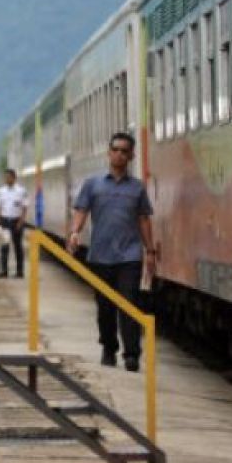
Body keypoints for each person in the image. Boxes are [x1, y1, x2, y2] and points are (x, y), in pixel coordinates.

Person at [67, 132, 156, 373]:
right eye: (115, 149)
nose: (119, 154)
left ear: (131, 156)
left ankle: (132, 354)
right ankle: (108, 347)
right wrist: (75, 232)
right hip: (100, 256)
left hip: (129, 256)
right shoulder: (93, 184)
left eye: (124, 151)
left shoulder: (137, 188)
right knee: (105, 307)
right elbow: (81, 210)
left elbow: (144, 219)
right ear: (109, 153)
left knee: (129, 304)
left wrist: (149, 250)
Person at [0, 169, 28, 278]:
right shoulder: (1, 191)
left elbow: (24, 208)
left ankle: (19, 271)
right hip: (5, 220)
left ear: (14, 178)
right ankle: (4, 271)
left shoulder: (21, 191)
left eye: (9, 177)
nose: (7, 179)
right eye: (5, 177)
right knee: (4, 246)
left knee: (17, 246)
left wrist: (21, 221)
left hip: (16, 220)